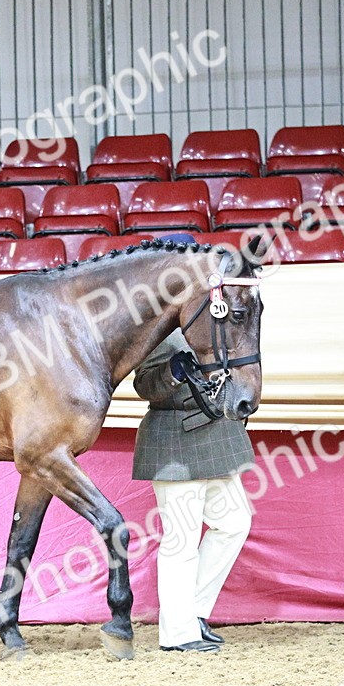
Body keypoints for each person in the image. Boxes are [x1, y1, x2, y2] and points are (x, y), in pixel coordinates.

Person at [132, 240, 256, 654]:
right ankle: (178, 633)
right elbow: (145, 385)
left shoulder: (214, 313)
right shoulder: (156, 323)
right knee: (180, 541)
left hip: (216, 436)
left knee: (234, 523)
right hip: (175, 437)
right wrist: (172, 371)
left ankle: (195, 611)